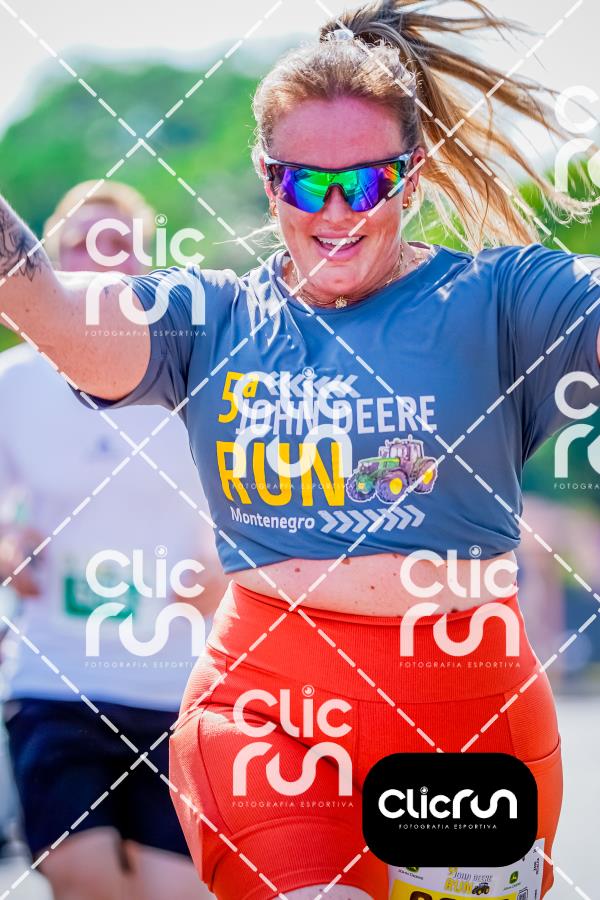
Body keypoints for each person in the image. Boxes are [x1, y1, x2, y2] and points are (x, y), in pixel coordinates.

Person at [1, 1, 600, 897]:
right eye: (305, 185)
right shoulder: (210, 317)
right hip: (266, 709)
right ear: (266, 178)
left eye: (366, 183)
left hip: (466, 713)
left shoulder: (503, 298)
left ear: (412, 176)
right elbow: (56, 315)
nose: (337, 212)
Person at [0, 182, 223, 900]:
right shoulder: (14, 384)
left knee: (173, 893)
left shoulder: (194, 377)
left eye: (118, 244)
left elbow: (256, 509)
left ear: (145, 263)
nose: (99, 260)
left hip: (175, 685)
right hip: (56, 679)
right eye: (80, 245)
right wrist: (8, 544)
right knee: (87, 879)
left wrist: (220, 571)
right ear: (49, 261)